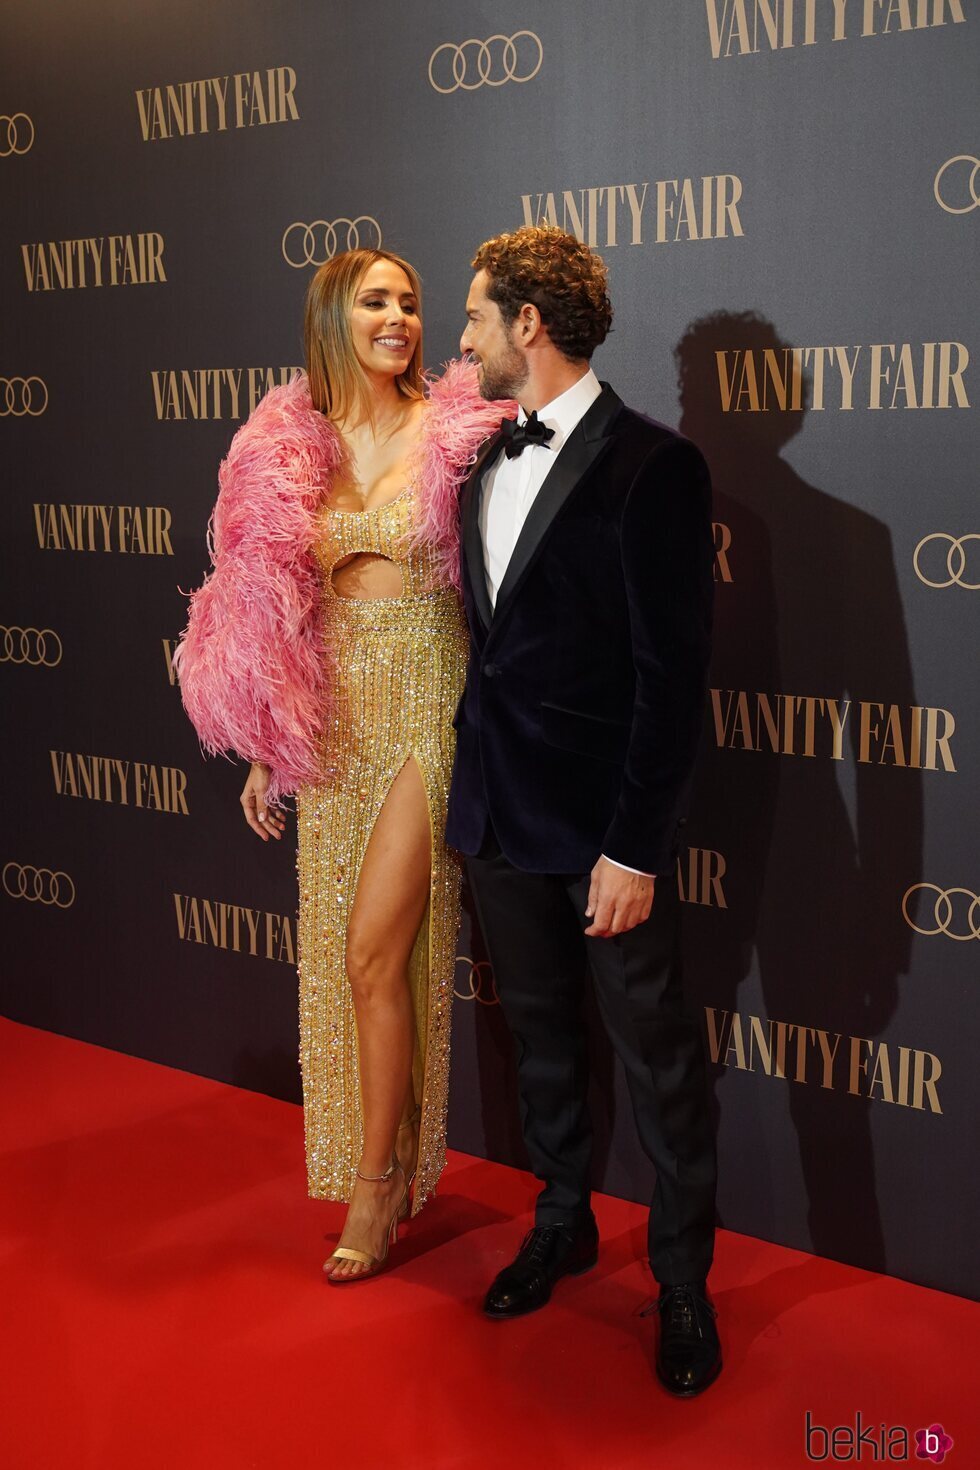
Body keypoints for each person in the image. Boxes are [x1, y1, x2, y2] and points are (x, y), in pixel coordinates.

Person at [174, 248, 506, 1282]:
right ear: (332, 316)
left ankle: (375, 1187)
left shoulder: (458, 432)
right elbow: (266, 608)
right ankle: (387, 1153)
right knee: (349, 961)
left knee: (374, 951)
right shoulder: (284, 448)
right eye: (377, 302)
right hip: (333, 719)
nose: (400, 318)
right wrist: (265, 743)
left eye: (409, 302)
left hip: (427, 699)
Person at [449, 225, 721, 1395]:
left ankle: (680, 1285)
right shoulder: (468, 462)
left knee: (658, 1064)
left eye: (471, 316)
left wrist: (632, 847)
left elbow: (671, 683)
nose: (456, 341)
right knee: (542, 1048)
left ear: (527, 324)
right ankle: (560, 1221)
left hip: (602, 838)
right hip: (498, 822)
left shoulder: (653, 466)